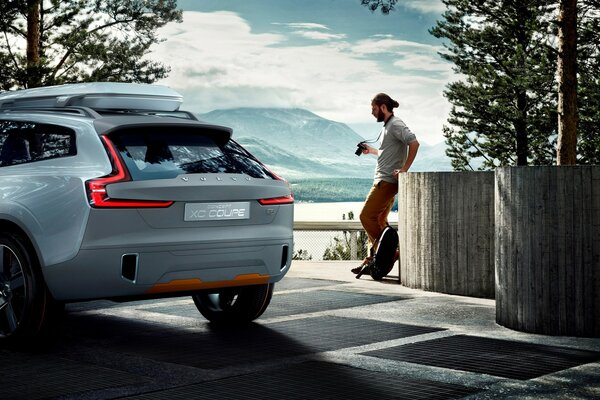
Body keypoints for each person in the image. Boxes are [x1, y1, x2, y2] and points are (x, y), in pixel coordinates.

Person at [352, 93, 420, 274]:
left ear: (383, 107)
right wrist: (372, 151)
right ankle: (373, 260)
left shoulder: (396, 124)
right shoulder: (387, 127)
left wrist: (404, 169)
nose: (372, 113)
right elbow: (387, 153)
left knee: (366, 216)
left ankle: (388, 254)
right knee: (379, 221)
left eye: (374, 109)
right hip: (384, 181)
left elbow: (414, 143)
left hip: (386, 182)